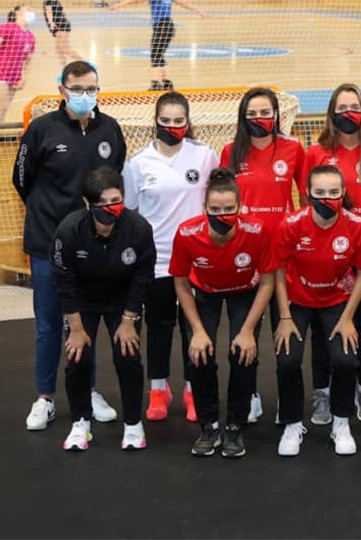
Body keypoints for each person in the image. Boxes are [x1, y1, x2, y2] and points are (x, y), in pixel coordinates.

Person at [13, 60, 126, 431]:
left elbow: (113, 180)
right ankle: (44, 397)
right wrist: (52, 215)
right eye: (76, 89)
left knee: (85, 322)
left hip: (91, 246)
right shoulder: (40, 130)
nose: (84, 96)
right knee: (49, 324)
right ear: (62, 90)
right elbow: (21, 180)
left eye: (91, 89)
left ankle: (88, 391)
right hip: (46, 242)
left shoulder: (110, 129)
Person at [124, 90, 219, 422]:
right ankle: (159, 389)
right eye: (166, 121)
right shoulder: (138, 163)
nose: (173, 127)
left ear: (188, 122)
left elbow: (217, 199)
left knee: (194, 329)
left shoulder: (204, 156)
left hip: (196, 261)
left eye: (179, 121)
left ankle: (193, 390)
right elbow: (130, 211)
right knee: (159, 325)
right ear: (156, 122)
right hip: (157, 260)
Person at [273, 165, 361, 456]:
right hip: (298, 300)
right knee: (287, 360)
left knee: (345, 360)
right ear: (307, 194)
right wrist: (283, 316)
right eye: (320, 193)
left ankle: (341, 422)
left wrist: (347, 318)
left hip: (336, 299)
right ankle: (293, 424)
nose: (327, 198)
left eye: (334, 192)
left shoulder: (356, 224)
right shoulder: (291, 224)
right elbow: (278, 270)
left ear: (343, 193)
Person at [169, 168, 275, 458]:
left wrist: (248, 331)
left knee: (243, 353)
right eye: (215, 209)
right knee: (200, 353)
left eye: (229, 209)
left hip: (244, 290)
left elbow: (267, 283)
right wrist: (198, 331)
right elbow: (180, 284)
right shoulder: (187, 233)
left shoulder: (257, 231)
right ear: (204, 208)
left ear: (240, 207)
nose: (222, 215)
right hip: (204, 292)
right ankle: (209, 424)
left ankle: (235, 426)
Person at [304, 83, 361, 425]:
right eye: (341, 107)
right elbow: (307, 202)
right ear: (331, 113)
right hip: (327, 254)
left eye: (354, 106)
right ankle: (323, 394)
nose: (348, 113)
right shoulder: (316, 153)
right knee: (322, 327)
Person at [51, 167, 155, 451]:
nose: (111, 208)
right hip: (83, 300)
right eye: (103, 204)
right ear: (88, 204)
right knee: (77, 357)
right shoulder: (68, 231)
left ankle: (133, 424)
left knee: (128, 355)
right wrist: (75, 328)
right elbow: (64, 282)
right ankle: (80, 423)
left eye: (116, 200)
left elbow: (143, 275)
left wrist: (128, 320)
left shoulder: (138, 228)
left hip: (122, 300)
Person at [220, 86, 305, 424]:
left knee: (285, 334)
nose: (259, 119)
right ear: (243, 118)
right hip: (246, 258)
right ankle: (250, 395)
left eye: (265, 113)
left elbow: (310, 200)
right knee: (245, 332)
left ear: (276, 116)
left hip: (284, 259)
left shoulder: (294, 149)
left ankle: (288, 402)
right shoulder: (230, 151)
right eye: (252, 114)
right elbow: (222, 202)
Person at [108, 0, 206, 91]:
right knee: (159, 54)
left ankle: (156, 83)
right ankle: (167, 83)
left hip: (162, 26)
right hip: (169, 26)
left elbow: (135, 0)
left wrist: (118, 5)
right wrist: (199, 11)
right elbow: (184, 3)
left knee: (155, 54)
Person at [0, 4, 36, 124]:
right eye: (27, 9)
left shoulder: (30, 36)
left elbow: (28, 61)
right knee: (3, 105)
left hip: (14, 77)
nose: (31, 12)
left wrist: (24, 78)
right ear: (18, 12)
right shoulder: (7, 28)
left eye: (31, 10)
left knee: (4, 109)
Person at [43, 0, 81, 67]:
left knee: (66, 49)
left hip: (60, 27)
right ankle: (63, 68)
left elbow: (49, 12)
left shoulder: (49, 1)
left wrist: (51, 23)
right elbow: (63, 13)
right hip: (60, 26)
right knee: (59, 50)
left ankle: (84, 62)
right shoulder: (55, 1)